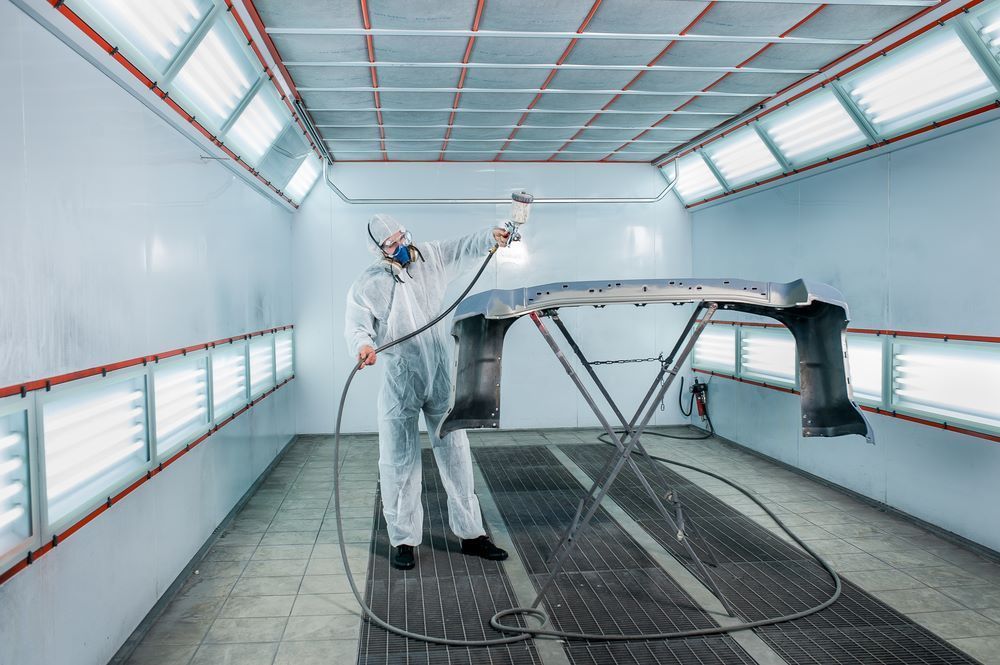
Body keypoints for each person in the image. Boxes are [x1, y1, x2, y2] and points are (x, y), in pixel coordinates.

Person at [345, 214, 511, 570]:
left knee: (456, 453)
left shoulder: (431, 257)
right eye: (391, 244)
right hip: (401, 379)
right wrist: (363, 346)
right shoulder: (370, 283)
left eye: (401, 237)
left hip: (439, 375)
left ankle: (471, 535)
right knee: (398, 461)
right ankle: (404, 541)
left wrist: (490, 236)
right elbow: (357, 323)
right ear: (380, 250)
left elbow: (464, 246)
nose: (401, 247)